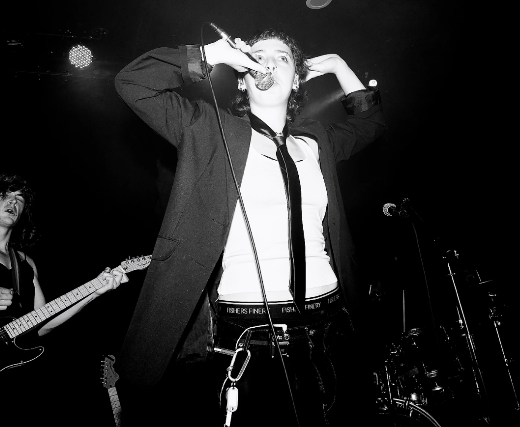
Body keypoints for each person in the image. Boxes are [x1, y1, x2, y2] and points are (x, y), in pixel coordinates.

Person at [114, 28, 386, 426]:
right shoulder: (210, 130)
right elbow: (133, 83)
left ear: (297, 81)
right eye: (260, 56)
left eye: (283, 58)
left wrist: (335, 64)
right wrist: (211, 54)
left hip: (330, 327)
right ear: (243, 78)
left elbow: (371, 122)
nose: (270, 63)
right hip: (251, 336)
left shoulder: (318, 141)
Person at [0, 173, 127, 426]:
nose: (13, 201)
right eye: (4, 194)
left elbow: (42, 324)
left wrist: (95, 291)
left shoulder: (25, 264)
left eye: (20, 198)